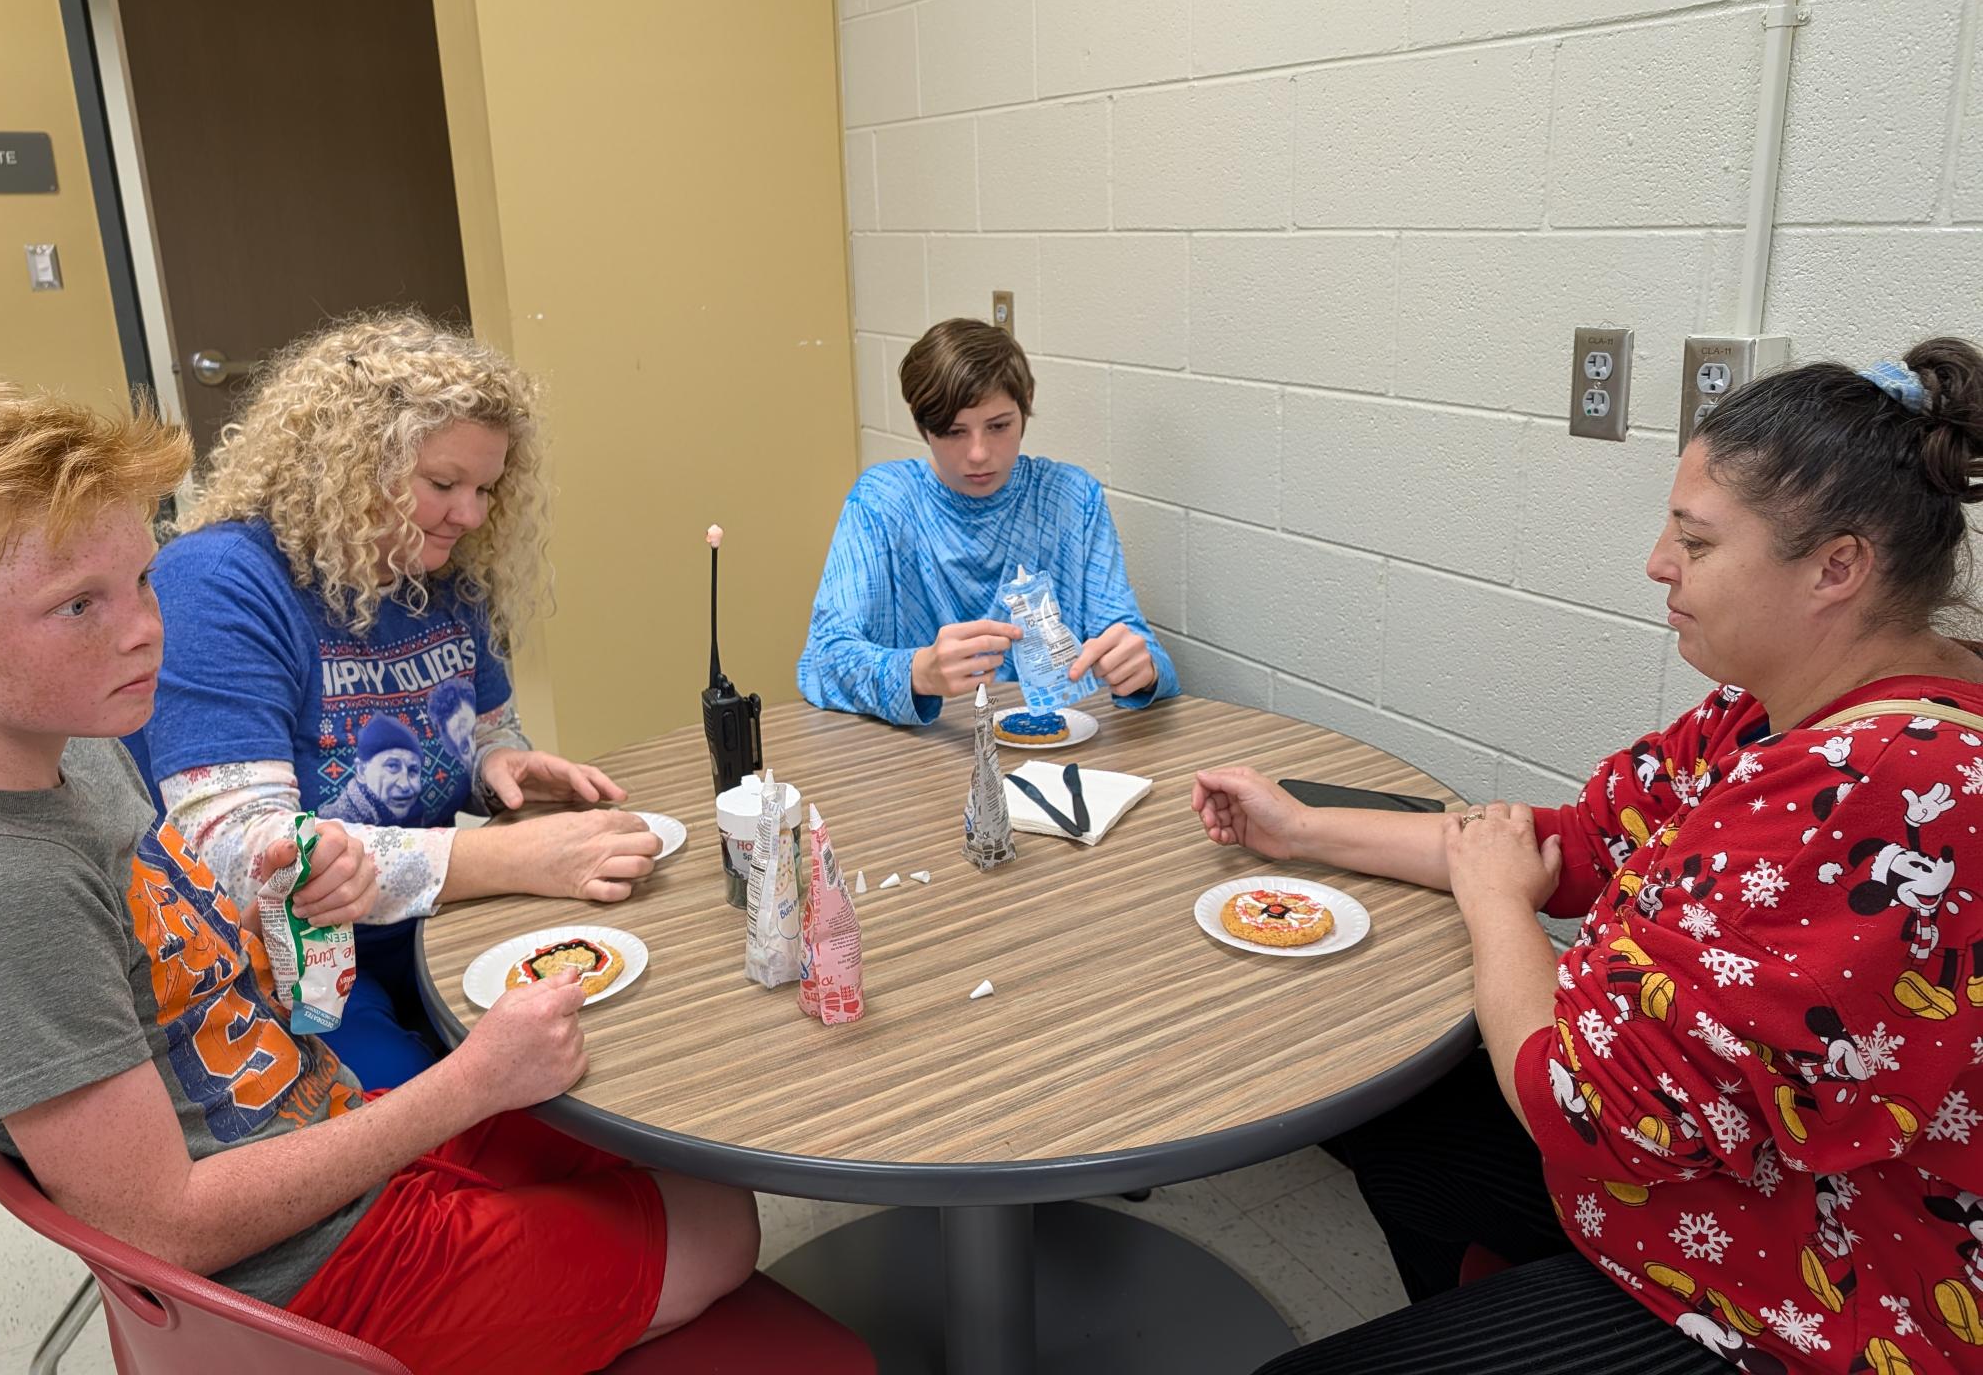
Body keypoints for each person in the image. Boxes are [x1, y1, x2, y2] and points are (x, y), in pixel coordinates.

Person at [1196, 340, 1983, 1374]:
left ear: (1838, 567)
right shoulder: (1771, 715)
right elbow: (1563, 847)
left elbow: (1582, 1109)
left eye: (1696, 544)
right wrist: (1295, 827)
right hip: (1694, 1181)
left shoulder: (1892, 786)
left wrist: (1498, 913)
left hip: (1810, 1293)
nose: (1659, 563)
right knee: (1398, 1128)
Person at [0, 376, 758, 1373]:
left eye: (143, 581)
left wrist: (284, 906)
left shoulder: (71, 739)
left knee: (672, 1167)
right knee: (721, 1229)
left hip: (312, 1118)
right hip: (302, 1272)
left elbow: (162, 970)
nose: (145, 628)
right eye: (78, 604)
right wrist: (470, 1083)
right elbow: (170, 1228)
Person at [126, 314, 660, 1088]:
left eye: (486, 489)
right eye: (443, 485)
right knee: (442, 1127)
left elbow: (483, 725)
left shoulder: (437, 573)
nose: (471, 515)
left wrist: (498, 763)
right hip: (285, 973)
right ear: (342, 469)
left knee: (616, 1052)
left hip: (424, 933)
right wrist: (505, 855)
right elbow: (245, 849)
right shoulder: (219, 586)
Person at [798, 317, 1178, 725]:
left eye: (998, 426)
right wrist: (917, 672)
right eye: (953, 432)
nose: (978, 454)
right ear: (921, 424)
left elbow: (1138, 647)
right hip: (921, 758)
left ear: (1026, 404)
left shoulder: (1071, 498)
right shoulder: (883, 503)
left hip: (1054, 753)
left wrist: (1145, 669)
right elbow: (822, 662)